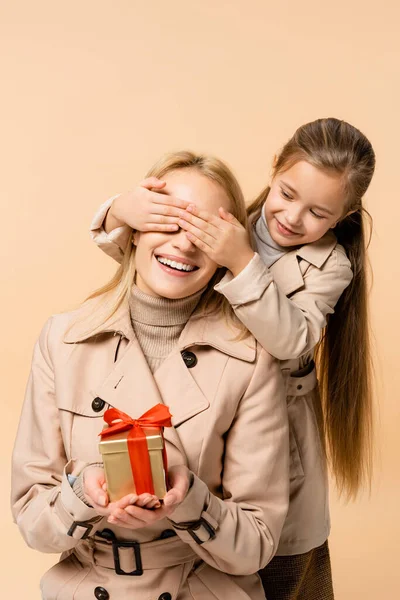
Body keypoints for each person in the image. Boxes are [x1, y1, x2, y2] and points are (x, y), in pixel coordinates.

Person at [89, 118, 376, 600]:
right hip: (202, 414)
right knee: (198, 549)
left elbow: (292, 340)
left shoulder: (330, 265)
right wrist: (122, 208)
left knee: (277, 561)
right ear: (275, 169)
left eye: (318, 213)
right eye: (286, 193)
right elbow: (145, 254)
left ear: (342, 218)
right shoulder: (228, 216)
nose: (292, 217)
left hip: (274, 430)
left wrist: (243, 261)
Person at [11, 151, 290, 600]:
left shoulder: (250, 360)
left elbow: (257, 543)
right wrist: (83, 494)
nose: (183, 244)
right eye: (168, 221)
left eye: (205, 231)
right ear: (134, 230)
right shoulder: (63, 340)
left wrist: (190, 500)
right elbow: (32, 520)